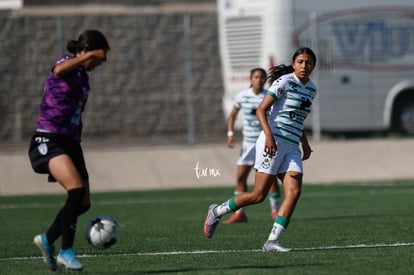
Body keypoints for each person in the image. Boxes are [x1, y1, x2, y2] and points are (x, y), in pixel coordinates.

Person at [204, 47, 317, 252]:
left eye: (308, 63)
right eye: (300, 62)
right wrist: (269, 137)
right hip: (271, 141)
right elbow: (261, 110)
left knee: (294, 192)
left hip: (291, 145)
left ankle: (272, 242)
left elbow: (297, 118)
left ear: (313, 66)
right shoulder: (283, 82)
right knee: (258, 195)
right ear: (294, 64)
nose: (304, 66)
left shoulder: (311, 89)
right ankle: (217, 211)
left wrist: (305, 142)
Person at [29, 30, 110, 271]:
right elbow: (58, 72)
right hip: (48, 138)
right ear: (86, 50)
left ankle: (47, 238)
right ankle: (66, 251)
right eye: (97, 59)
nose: (98, 64)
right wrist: (88, 55)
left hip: (70, 142)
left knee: (83, 202)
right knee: (75, 190)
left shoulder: (84, 77)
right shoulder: (65, 63)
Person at [224, 68, 281, 224]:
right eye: (256, 77)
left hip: (264, 143)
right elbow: (232, 116)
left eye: (262, 77)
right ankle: (239, 213)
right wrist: (230, 134)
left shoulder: (269, 96)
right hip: (248, 144)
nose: (259, 80)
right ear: (251, 79)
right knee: (241, 177)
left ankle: (275, 212)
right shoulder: (242, 96)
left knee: (270, 179)